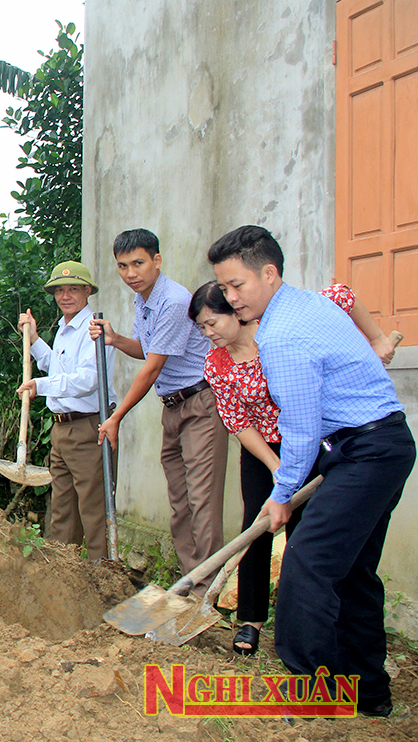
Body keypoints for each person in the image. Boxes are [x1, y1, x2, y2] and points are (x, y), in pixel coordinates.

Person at [209, 225, 413, 717]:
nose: (229, 298)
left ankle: (309, 695)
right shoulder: (309, 304)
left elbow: (298, 427)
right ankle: (369, 696)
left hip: (367, 450)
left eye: (236, 286)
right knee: (353, 573)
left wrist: (280, 494)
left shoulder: (282, 336)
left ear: (269, 273)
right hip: (375, 445)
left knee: (307, 565)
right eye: (224, 288)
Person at [188, 280, 387, 656]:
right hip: (262, 450)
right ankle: (250, 621)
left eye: (212, 323)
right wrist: (279, 468)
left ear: (236, 313)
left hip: (313, 441)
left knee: (306, 533)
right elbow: (238, 422)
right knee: (256, 528)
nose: (208, 333)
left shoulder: (281, 329)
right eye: (202, 327)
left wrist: (377, 340)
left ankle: (309, 624)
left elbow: (343, 294)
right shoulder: (216, 363)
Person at [88, 229, 226, 589]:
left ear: (156, 261)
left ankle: (205, 588)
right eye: (122, 266)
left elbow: (152, 368)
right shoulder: (143, 300)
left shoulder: (174, 301)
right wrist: (117, 340)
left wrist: (116, 417)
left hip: (200, 404)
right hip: (173, 407)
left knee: (201, 500)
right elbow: (147, 351)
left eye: (138, 263)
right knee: (180, 501)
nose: (131, 273)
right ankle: (188, 580)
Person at [16, 261, 115, 559]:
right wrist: (33, 339)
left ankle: (101, 574)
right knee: (61, 507)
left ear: (87, 291)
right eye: (60, 290)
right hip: (61, 430)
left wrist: (40, 386)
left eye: (73, 289)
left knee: (93, 508)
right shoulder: (64, 328)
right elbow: (55, 367)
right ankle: (60, 570)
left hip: (87, 428)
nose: (65, 296)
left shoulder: (93, 329)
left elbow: (87, 381)